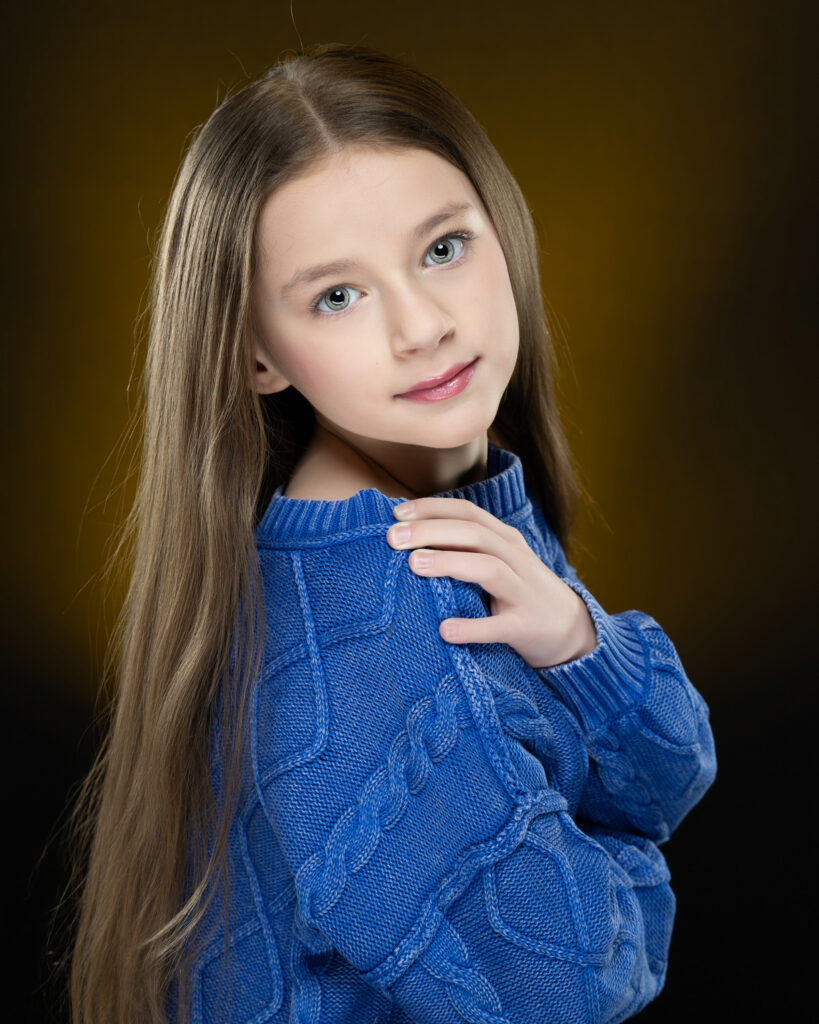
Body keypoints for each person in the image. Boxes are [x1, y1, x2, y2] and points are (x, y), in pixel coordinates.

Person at [66, 42, 717, 1024]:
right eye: (338, 295)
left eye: (443, 247)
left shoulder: (458, 516)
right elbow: (572, 990)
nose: (421, 325)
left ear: (503, 227)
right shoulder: (364, 642)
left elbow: (682, 765)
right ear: (256, 356)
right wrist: (623, 844)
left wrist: (584, 647)